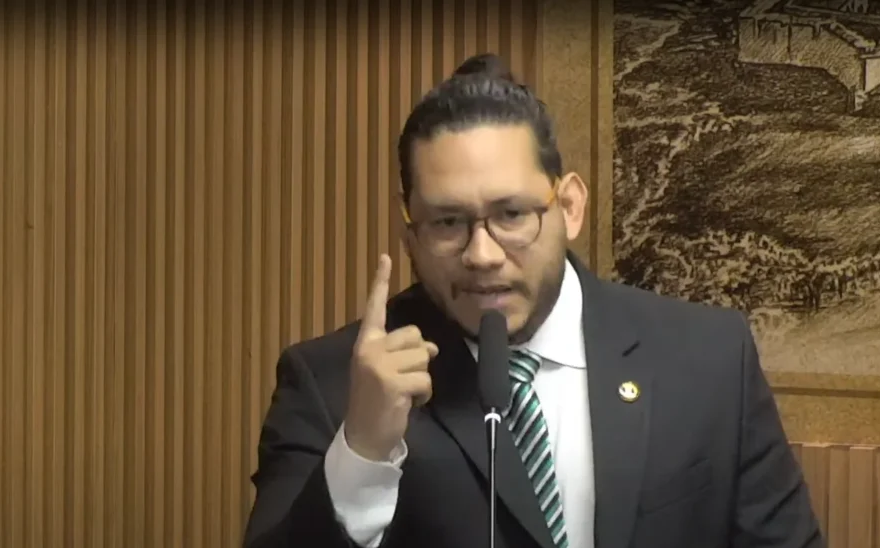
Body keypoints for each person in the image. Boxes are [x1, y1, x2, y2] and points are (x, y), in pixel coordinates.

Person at [242, 53, 823, 548]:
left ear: (569, 207)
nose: (482, 254)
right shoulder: (329, 383)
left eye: (512, 214)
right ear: (410, 235)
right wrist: (362, 452)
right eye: (447, 222)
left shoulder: (709, 357)